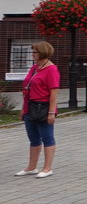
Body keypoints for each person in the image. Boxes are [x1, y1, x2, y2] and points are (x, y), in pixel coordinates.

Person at [17, 41, 59, 178]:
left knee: (47, 137)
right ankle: (31, 166)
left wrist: (51, 112)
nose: (32, 54)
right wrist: (23, 109)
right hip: (30, 106)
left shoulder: (51, 69)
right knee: (33, 138)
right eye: (33, 51)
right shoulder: (35, 68)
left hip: (43, 107)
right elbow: (27, 88)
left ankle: (47, 168)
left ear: (43, 53)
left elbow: (53, 93)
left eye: (35, 52)